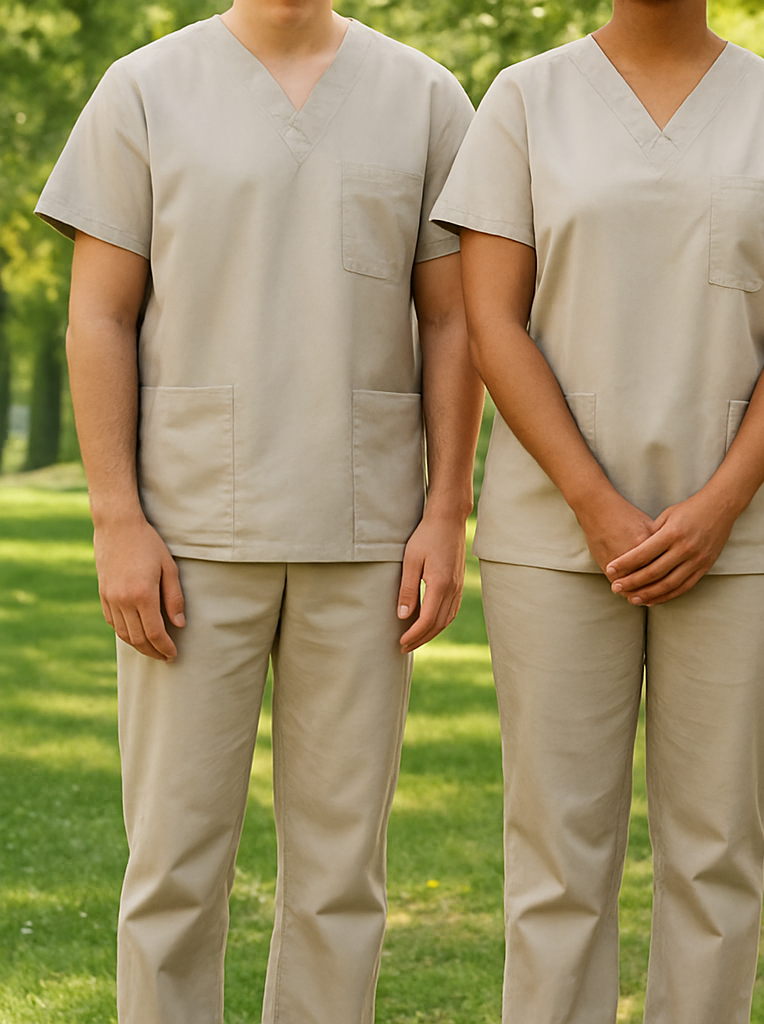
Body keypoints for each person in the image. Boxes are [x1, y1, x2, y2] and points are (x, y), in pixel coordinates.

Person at [428, 0, 764, 1020]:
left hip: (741, 538)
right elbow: (491, 319)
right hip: (553, 533)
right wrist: (589, 497)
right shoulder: (524, 101)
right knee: (555, 857)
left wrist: (722, 504)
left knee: (717, 854)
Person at [35, 0, 480, 1019]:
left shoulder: (424, 98)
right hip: (187, 533)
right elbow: (99, 313)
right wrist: (118, 518)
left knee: (341, 876)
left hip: (366, 530)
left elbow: (453, 317)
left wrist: (446, 507)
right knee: (173, 872)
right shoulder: (143, 91)